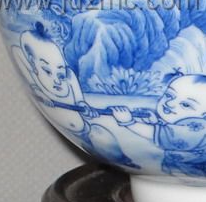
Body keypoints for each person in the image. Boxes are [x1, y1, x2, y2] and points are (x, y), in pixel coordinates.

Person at [13, 23, 138, 167]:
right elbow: (16, 50)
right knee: (102, 139)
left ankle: (126, 160)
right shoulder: (35, 77)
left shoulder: (69, 77)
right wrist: (39, 90)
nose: (57, 80)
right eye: (47, 71)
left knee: (104, 136)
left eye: (60, 73)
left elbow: (80, 102)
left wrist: (85, 108)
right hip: (80, 137)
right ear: (32, 65)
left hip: (86, 130)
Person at [111, 74, 206, 177]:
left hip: (196, 171)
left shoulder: (200, 128)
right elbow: (174, 128)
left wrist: (128, 122)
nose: (169, 103)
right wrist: (156, 122)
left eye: (185, 105)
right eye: (169, 95)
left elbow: (160, 135)